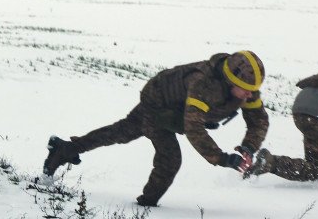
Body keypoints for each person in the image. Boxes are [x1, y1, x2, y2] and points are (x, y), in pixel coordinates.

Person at [42, 50, 269, 208]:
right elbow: (193, 128)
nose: (250, 94)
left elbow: (258, 120)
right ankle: (146, 208)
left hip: (174, 112)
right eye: (245, 89)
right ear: (230, 81)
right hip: (156, 106)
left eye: (253, 89)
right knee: (170, 158)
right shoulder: (203, 84)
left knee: (119, 132)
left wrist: (249, 147)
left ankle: (64, 149)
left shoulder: (245, 88)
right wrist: (222, 158)